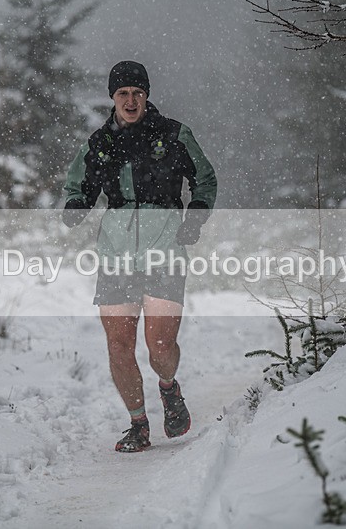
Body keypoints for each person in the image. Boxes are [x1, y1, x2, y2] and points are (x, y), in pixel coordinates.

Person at [62, 61, 217, 452]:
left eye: (137, 93)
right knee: (118, 346)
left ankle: (168, 387)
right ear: (112, 98)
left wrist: (195, 215)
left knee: (160, 347)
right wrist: (76, 204)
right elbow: (78, 183)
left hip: (165, 246)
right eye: (123, 94)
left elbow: (205, 178)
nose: (130, 101)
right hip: (115, 251)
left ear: (146, 96)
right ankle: (138, 424)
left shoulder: (174, 134)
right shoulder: (100, 143)